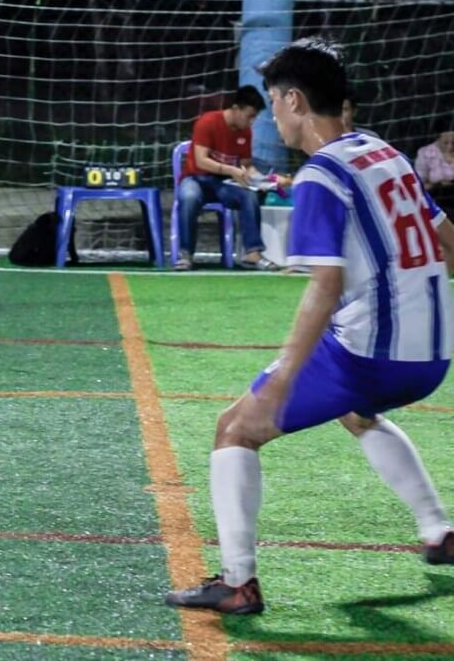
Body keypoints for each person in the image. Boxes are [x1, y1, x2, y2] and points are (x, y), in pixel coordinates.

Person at [166, 37, 454, 616]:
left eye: (274, 101)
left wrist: (285, 374)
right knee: (356, 412)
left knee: (234, 430)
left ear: (294, 100)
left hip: (370, 356)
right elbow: (448, 238)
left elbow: (324, 288)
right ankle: (438, 531)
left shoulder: (321, 175)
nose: (273, 114)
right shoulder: (385, 152)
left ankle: (238, 583)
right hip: (433, 355)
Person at [175, 85, 271, 271]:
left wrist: (263, 180)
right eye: (250, 116)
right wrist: (231, 170)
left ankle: (252, 253)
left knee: (249, 196)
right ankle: (185, 254)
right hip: (196, 178)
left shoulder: (245, 132)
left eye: (255, 117)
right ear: (236, 109)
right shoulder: (208, 122)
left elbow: (246, 165)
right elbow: (201, 161)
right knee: (188, 197)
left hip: (223, 184)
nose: (252, 121)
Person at [415, 124, 454, 217]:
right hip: (437, 197)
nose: (450, 146)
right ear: (439, 138)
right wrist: (436, 184)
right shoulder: (425, 153)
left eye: (453, 142)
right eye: (446, 142)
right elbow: (419, 186)